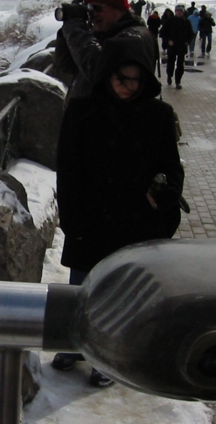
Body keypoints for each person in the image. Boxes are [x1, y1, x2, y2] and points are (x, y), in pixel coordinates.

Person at [53, 55, 185, 387]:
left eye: (136, 81)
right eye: (121, 79)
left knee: (121, 292)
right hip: (90, 217)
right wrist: (71, 219)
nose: (128, 87)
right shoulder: (82, 111)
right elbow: (68, 169)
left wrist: (166, 191)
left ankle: (105, 357)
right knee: (81, 287)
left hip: (135, 219)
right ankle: (73, 344)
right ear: (108, 76)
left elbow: (171, 165)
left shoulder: (159, 115)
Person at [49, 0, 159, 105]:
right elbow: (65, 65)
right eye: (89, 9)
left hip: (113, 122)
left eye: (97, 8)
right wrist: (67, 29)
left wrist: (76, 27)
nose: (93, 15)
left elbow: (97, 70)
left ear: (117, 7)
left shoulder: (135, 38)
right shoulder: (106, 35)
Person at [161, 8, 194, 89]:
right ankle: (169, 76)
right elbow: (162, 32)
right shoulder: (170, 21)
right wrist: (168, 40)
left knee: (180, 65)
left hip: (182, 46)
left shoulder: (186, 22)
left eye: (180, 11)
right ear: (175, 12)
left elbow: (191, 34)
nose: (179, 13)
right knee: (170, 62)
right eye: (177, 11)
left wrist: (187, 41)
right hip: (172, 46)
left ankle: (178, 81)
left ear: (183, 13)